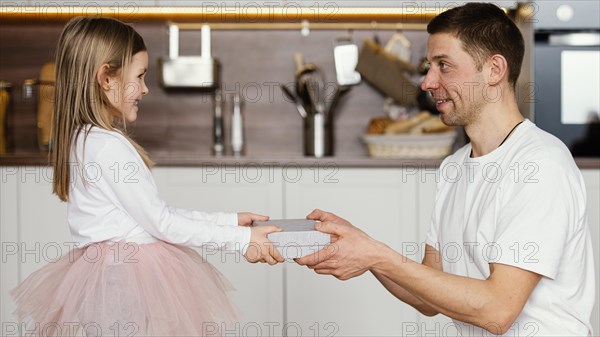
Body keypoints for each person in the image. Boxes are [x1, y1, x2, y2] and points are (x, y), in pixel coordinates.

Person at [297, 3, 595, 337]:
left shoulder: (540, 165)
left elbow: (497, 310)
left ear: (494, 69)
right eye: (429, 66)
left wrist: (376, 255)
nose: (427, 82)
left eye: (443, 65)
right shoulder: (454, 167)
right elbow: (427, 296)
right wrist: (363, 247)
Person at [10, 16, 284, 336]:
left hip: (111, 275)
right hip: (124, 279)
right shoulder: (106, 147)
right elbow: (161, 223)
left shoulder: (86, 139)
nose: (145, 88)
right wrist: (241, 240)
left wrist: (228, 221)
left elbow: (149, 217)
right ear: (106, 78)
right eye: (139, 77)